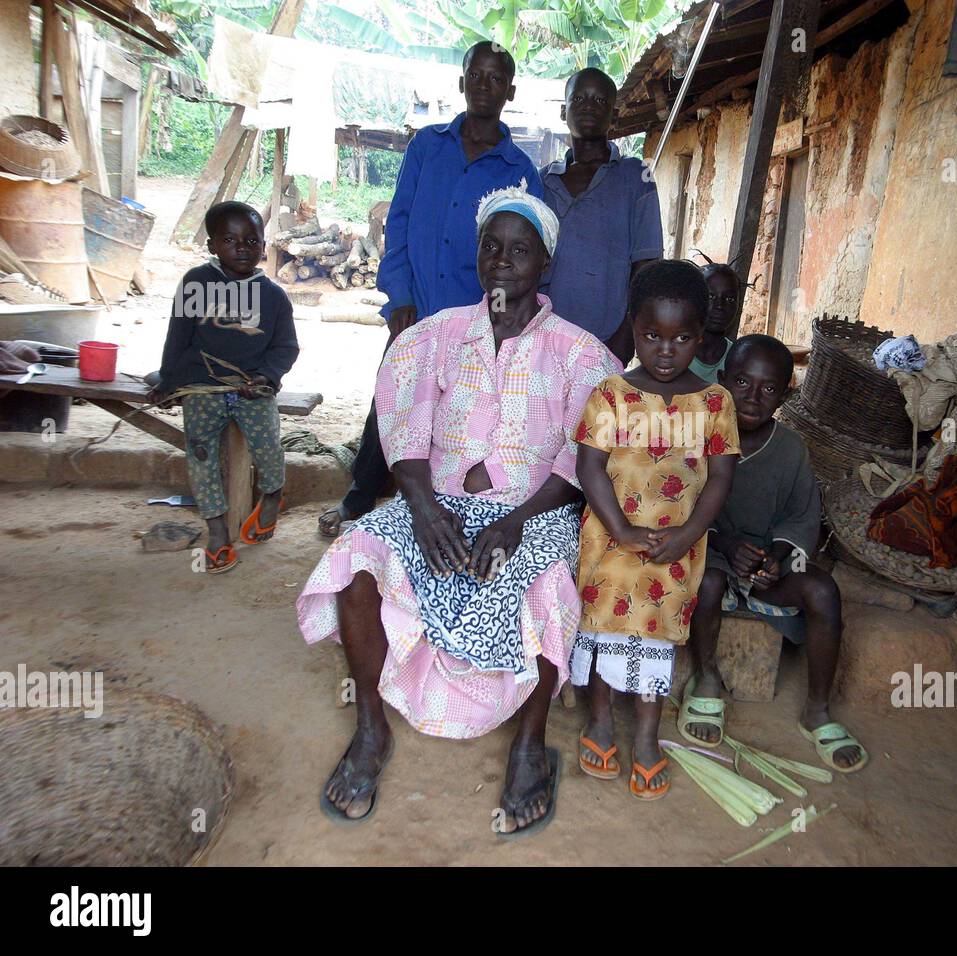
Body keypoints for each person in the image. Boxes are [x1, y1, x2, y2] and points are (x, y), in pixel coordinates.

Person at [298, 184, 621, 837]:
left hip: (529, 511)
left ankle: (530, 745)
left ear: (544, 265)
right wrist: (420, 507)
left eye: (520, 250)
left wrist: (517, 519)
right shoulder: (435, 337)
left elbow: (581, 455)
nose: (504, 261)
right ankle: (370, 729)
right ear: (478, 255)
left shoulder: (580, 354)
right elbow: (403, 424)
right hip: (434, 502)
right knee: (358, 556)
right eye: (492, 247)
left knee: (553, 587)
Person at [318, 41, 543, 539]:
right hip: (416, 310)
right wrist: (399, 299)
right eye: (475, 75)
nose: (484, 85)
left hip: (474, 321)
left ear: (510, 90)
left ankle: (432, 506)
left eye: (495, 78)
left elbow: (525, 254)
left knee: (455, 413)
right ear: (462, 82)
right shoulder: (427, 145)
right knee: (392, 401)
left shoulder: (519, 169)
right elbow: (398, 223)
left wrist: (499, 321)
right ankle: (360, 498)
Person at [569, 260, 739, 799]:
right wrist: (619, 528)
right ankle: (598, 722)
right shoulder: (611, 394)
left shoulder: (715, 404)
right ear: (634, 327)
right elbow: (589, 466)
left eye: (683, 337)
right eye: (652, 335)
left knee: (656, 643)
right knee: (602, 630)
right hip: (611, 542)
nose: (666, 349)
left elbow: (719, 478)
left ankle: (646, 737)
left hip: (676, 547)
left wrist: (690, 533)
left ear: (701, 333)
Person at [680, 335, 868, 772]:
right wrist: (724, 544)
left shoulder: (790, 450)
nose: (752, 397)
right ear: (722, 380)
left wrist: (778, 558)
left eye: (769, 389)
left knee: (822, 591)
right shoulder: (694, 439)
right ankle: (706, 680)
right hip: (709, 556)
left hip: (768, 567)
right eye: (742, 382)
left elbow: (802, 517)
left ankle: (818, 711)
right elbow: (676, 510)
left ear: (785, 394)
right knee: (706, 580)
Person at [149, 200, 298, 574]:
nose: (243, 248)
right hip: (203, 388)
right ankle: (217, 531)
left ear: (265, 246)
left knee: (268, 449)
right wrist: (169, 381)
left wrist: (265, 378)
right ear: (213, 245)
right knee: (200, 456)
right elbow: (178, 337)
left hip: (253, 388)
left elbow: (285, 348)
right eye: (230, 240)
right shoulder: (196, 283)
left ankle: (273, 493)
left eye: (252, 240)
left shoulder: (274, 297)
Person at [540, 67, 663, 366]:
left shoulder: (636, 177)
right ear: (562, 110)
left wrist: (628, 331)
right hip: (542, 335)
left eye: (599, 100)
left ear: (615, 113)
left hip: (606, 337)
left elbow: (646, 266)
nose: (588, 106)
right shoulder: (541, 181)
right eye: (578, 98)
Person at [688, 260, 742, 383]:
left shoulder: (738, 360)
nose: (720, 306)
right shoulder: (673, 353)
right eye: (710, 296)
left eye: (730, 299)